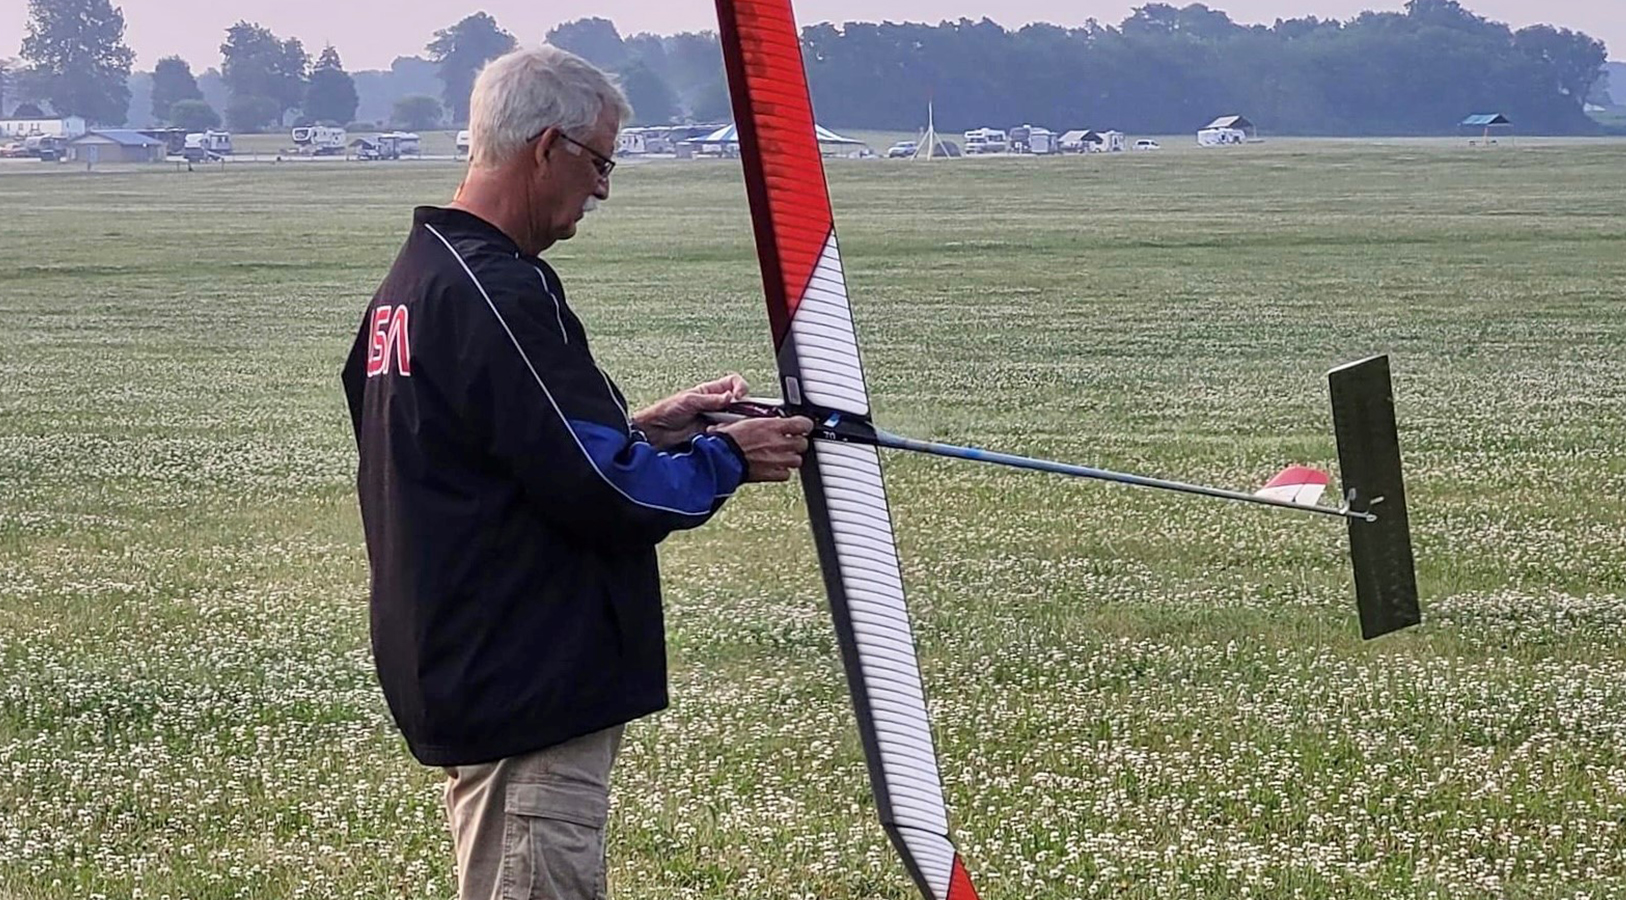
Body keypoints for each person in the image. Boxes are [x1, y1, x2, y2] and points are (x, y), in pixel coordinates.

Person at [340, 45, 813, 900]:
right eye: (599, 162)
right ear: (547, 147)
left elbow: (479, 455)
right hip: (528, 690)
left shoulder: (413, 285)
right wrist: (725, 457)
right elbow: (603, 492)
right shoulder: (499, 290)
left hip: (480, 675)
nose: (601, 187)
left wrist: (643, 430)